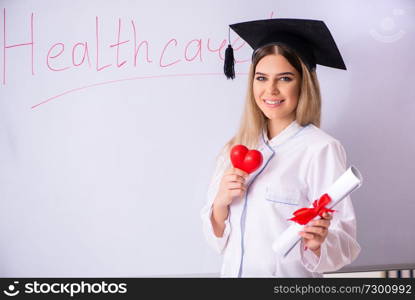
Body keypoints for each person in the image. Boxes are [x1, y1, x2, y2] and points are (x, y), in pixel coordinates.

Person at [200, 19, 361, 277]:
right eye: (261, 78)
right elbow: (218, 241)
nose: (270, 90)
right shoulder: (236, 146)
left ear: (303, 84)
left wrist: (319, 243)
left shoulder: (320, 149)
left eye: (285, 78)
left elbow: (346, 243)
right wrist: (220, 203)